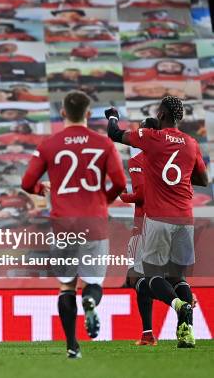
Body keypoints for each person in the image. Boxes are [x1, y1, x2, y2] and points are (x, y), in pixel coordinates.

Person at [21, 91, 127, 359]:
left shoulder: (49, 144)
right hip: (94, 220)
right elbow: (120, 184)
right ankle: (90, 301)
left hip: (63, 224)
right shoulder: (104, 144)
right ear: (88, 114)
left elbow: (26, 183)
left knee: (67, 285)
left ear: (63, 113)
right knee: (93, 282)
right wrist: (104, 201)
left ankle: (72, 345)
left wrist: (40, 188)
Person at [106, 96, 209, 349]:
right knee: (179, 279)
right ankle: (186, 334)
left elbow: (115, 134)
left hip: (158, 218)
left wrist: (112, 115)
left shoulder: (152, 138)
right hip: (185, 218)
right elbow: (204, 180)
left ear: (161, 115)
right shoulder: (191, 143)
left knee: (151, 277)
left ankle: (179, 306)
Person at [118, 117, 160, 346]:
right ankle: (182, 302)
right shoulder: (170, 157)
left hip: (143, 225)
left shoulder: (137, 159)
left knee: (138, 279)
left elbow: (142, 195)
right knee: (170, 275)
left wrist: (122, 195)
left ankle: (148, 332)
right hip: (171, 222)